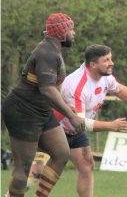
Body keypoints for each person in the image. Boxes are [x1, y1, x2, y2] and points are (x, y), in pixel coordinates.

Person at [26, 44, 127, 197]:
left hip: (75, 130)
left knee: (86, 165)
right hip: (55, 128)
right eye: (106, 60)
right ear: (93, 65)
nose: (112, 63)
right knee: (36, 173)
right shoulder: (77, 85)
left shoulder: (106, 77)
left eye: (111, 58)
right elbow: (81, 121)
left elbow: (119, 90)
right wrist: (111, 125)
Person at [2, 13, 85, 197]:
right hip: (22, 111)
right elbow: (47, 89)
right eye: (71, 29)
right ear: (62, 32)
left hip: (41, 111)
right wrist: (71, 116)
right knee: (23, 167)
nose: (74, 33)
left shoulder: (54, 50)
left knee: (62, 153)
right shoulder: (46, 52)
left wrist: (65, 106)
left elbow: (51, 90)